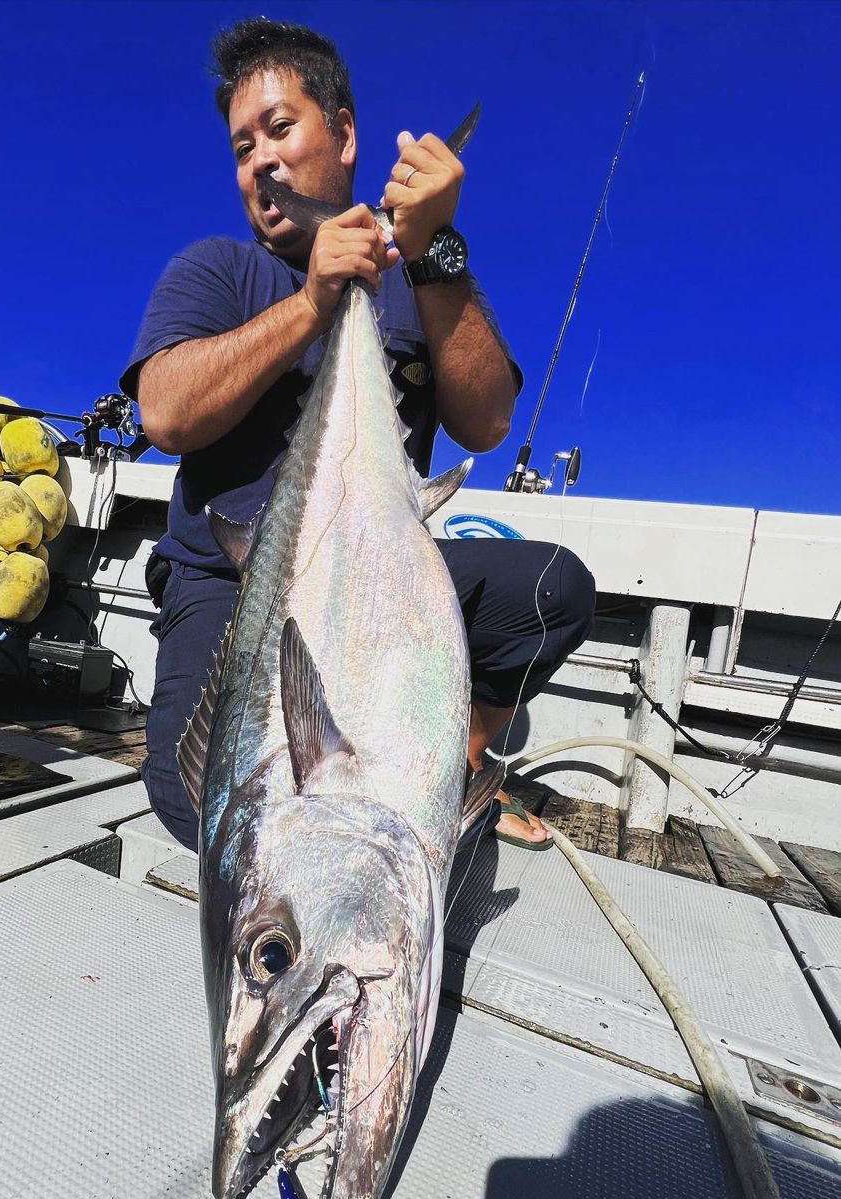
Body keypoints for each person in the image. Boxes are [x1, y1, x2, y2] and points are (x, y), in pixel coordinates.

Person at [120, 18, 595, 852]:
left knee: (554, 588)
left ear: (343, 135)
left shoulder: (420, 283)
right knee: (209, 805)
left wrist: (434, 249)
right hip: (235, 588)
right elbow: (164, 414)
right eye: (240, 147)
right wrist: (312, 303)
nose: (259, 160)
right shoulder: (216, 270)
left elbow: (484, 423)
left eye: (278, 128)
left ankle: (459, 771)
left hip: (378, 582)